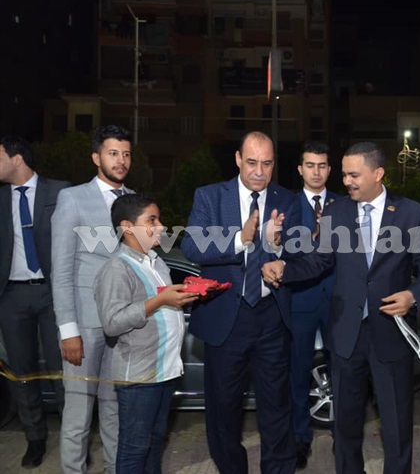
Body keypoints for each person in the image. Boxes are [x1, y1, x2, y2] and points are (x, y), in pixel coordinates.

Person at [262, 141, 420, 474]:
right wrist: (284, 267)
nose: (346, 181)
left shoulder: (411, 212)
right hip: (346, 335)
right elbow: (318, 261)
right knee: (345, 427)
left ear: (378, 173)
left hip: (391, 332)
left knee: (397, 425)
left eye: (354, 175)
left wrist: (412, 296)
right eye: (344, 175)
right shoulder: (336, 212)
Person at [180, 131, 300, 474]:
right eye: (251, 162)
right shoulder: (210, 196)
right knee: (223, 409)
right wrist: (239, 239)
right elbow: (191, 247)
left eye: (267, 163)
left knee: (277, 407)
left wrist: (279, 247)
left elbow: (301, 254)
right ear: (237, 159)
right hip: (226, 319)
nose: (259, 171)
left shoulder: (287, 200)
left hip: (272, 317)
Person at [93, 194, 199, 474]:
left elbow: (164, 306)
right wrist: (160, 301)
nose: (161, 226)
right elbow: (112, 323)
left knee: (154, 442)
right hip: (139, 377)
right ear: (127, 227)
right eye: (151, 220)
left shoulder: (157, 263)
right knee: (135, 448)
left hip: (165, 371)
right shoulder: (117, 268)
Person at [52, 124, 134, 474]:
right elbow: (61, 270)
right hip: (84, 325)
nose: (121, 160)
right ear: (96, 157)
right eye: (113, 153)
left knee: (114, 409)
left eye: (126, 154)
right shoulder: (72, 199)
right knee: (78, 414)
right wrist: (68, 330)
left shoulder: (134, 200)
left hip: (123, 324)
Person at [0, 136, 69, 468]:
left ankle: (72, 437)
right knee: (22, 371)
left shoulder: (61, 192)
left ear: (16, 159)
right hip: (12, 296)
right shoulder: (0, 199)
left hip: (54, 293)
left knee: (63, 370)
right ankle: (35, 438)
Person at [289, 142, 338, 469]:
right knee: (297, 373)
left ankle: (342, 436)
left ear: (329, 170)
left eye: (322, 165)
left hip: (337, 301)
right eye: (310, 165)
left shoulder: (344, 205)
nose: (316, 172)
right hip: (300, 300)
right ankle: (299, 439)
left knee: (343, 373)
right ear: (300, 169)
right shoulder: (288, 205)